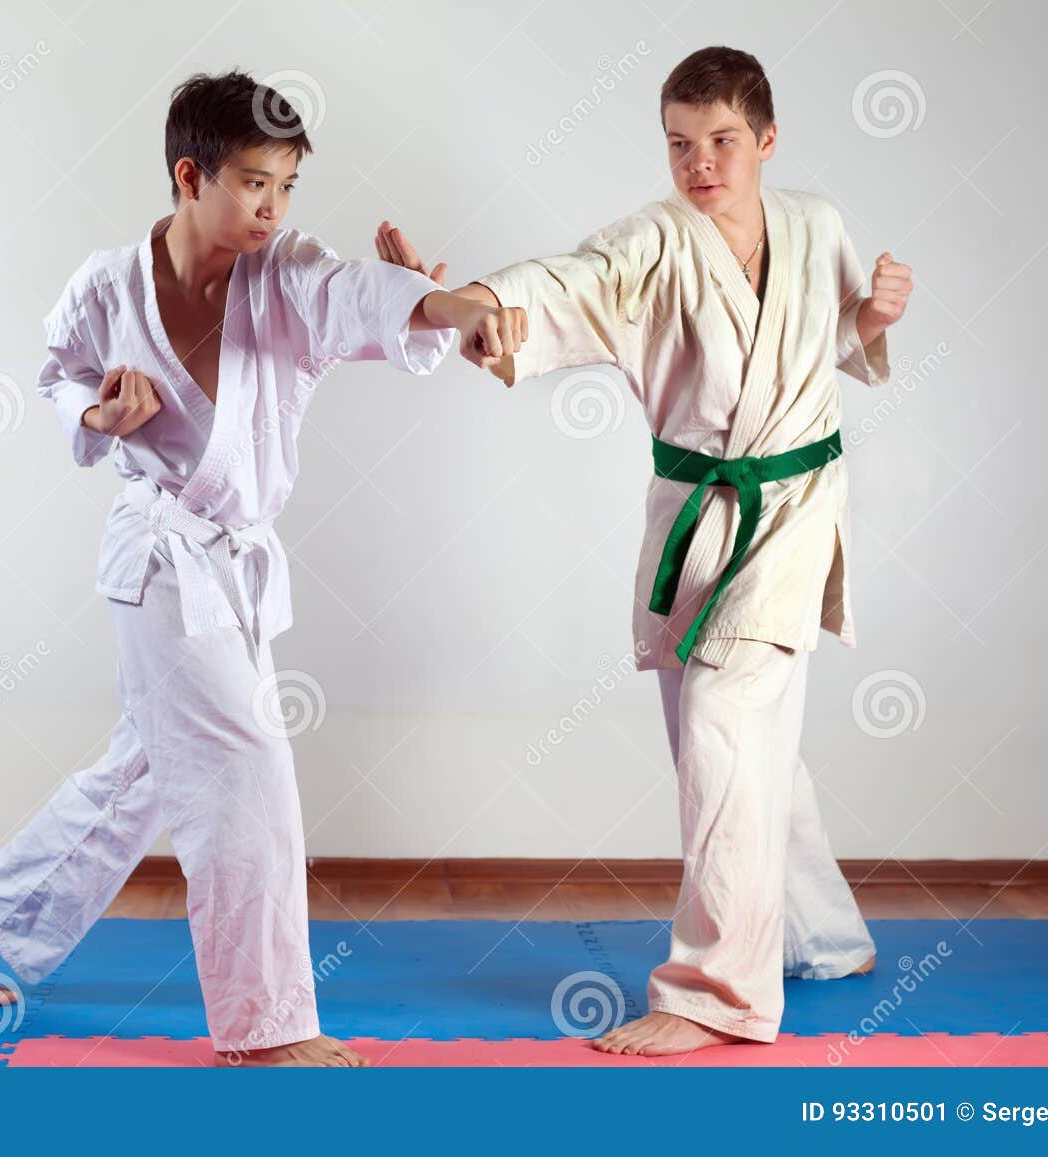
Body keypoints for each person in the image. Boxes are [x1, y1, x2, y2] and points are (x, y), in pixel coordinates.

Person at [0, 70, 525, 1067]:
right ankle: (266, 1026)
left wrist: (451, 302)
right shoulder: (106, 286)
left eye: (287, 185)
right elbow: (55, 376)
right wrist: (94, 415)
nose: (272, 207)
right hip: (158, 555)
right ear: (188, 174)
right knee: (245, 764)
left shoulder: (285, 271)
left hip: (233, 564)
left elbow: (359, 295)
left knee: (148, 767)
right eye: (253, 181)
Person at [375, 45, 913, 1055]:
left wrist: (873, 314)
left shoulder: (816, 222)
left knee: (723, 724)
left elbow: (830, 332)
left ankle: (718, 993)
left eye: (719, 142)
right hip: (698, 515)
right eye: (679, 144)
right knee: (734, 744)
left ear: (765, 139)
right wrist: (470, 306)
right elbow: (568, 282)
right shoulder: (654, 240)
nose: (699, 162)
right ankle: (822, 936)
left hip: (795, 504)